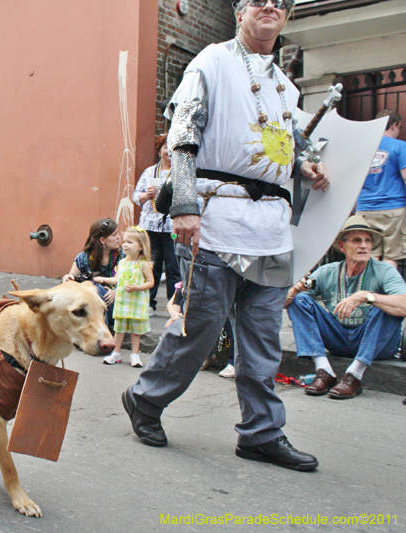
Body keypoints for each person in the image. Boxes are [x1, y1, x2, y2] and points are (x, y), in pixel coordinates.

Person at [121, 0, 329, 472]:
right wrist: (187, 204)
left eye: (280, 1)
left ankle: (261, 432)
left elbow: (281, 143)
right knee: (201, 327)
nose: (270, 6)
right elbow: (182, 136)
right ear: (240, 12)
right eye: (259, 0)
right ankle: (146, 399)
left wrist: (304, 165)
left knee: (261, 339)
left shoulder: (285, 87)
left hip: (271, 228)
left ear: (288, 16)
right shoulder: (212, 60)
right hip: (216, 217)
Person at [285, 216, 406, 399]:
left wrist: (367, 296)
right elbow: (282, 304)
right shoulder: (328, 271)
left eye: (368, 241)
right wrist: (294, 289)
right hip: (339, 337)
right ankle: (324, 371)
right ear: (342, 246)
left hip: (377, 344)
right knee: (299, 299)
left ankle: (354, 375)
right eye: (357, 240)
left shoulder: (384, 270)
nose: (364, 246)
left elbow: (404, 304)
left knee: (385, 305)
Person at [133, 133, 181, 314]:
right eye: (166, 147)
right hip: (150, 226)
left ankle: (174, 305)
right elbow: (135, 196)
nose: (169, 151)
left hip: (172, 227)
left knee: (173, 266)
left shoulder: (179, 173)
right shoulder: (149, 172)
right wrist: (148, 195)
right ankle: (149, 304)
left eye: (173, 148)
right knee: (151, 265)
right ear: (159, 151)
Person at [355, 110, 406, 268]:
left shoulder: (364, 148)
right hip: (393, 209)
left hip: (364, 209)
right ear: (395, 125)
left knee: (370, 255)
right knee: (391, 256)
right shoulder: (400, 146)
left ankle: (367, 291)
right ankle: (387, 292)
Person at [98, 226, 154, 367]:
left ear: (140, 247)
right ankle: (116, 353)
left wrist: (137, 287)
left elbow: (150, 282)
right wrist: (104, 279)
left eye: (130, 242)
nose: (124, 245)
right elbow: (117, 279)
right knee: (119, 330)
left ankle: (135, 355)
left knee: (135, 332)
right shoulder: (122, 263)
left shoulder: (143, 264)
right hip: (123, 302)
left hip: (136, 303)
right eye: (125, 241)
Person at [62, 218, 124, 331]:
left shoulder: (123, 256)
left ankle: (100, 332)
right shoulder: (84, 257)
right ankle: (101, 331)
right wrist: (67, 278)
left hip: (119, 306)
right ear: (102, 240)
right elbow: (69, 286)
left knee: (95, 287)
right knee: (95, 287)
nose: (119, 237)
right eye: (115, 235)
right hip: (91, 308)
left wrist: (116, 291)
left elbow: (135, 281)